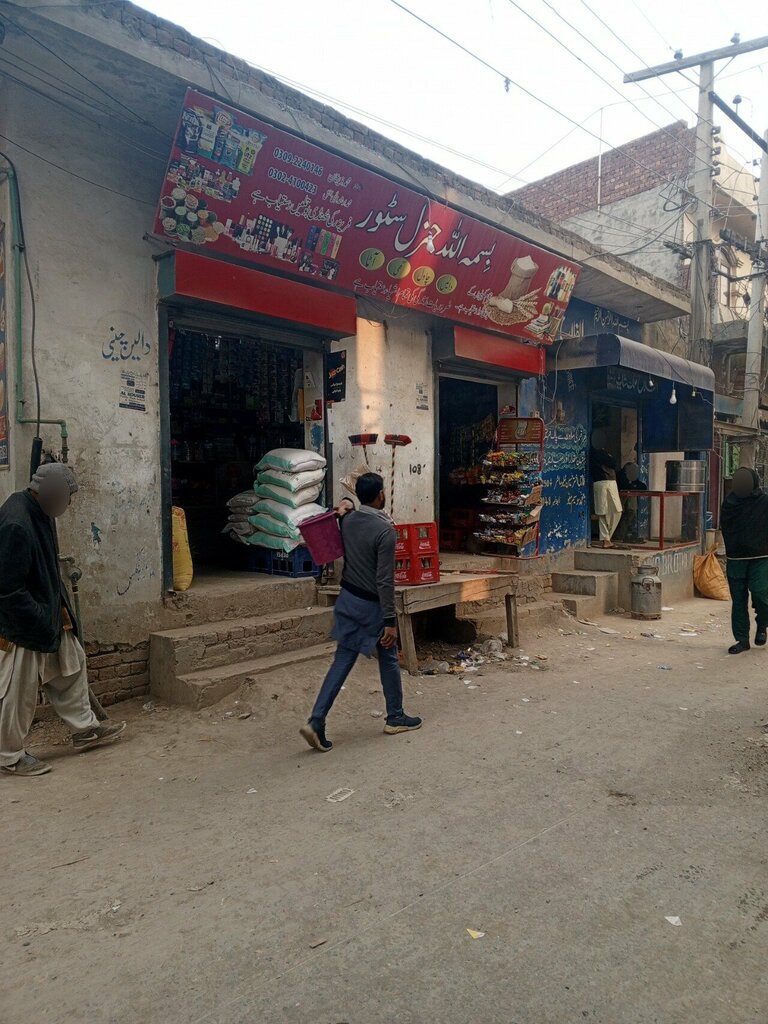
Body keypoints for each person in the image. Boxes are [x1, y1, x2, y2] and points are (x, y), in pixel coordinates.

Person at [0, 464, 126, 776]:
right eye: (66, 498)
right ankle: (8, 755)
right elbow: (7, 590)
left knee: (71, 663)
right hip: (19, 624)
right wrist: (37, 619)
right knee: (19, 690)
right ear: (49, 492)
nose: (67, 506)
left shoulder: (38, 511)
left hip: (46, 612)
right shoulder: (17, 522)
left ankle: (85, 728)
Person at [300, 472, 422, 752]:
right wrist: (390, 622)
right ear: (380, 495)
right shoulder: (385, 531)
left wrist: (344, 504)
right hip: (371, 606)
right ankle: (394, 715)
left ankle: (317, 720)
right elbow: (385, 580)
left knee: (342, 659)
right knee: (389, 655)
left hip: (347, 597)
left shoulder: (349, 520)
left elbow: (344, 508)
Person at [720, 466, 768, 655]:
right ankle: (741, 640)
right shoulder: (729, 504)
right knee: (738, 601)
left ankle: (762, 623)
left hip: (761, 557)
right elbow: (726, 527)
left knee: (761, 593)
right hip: (736, 558)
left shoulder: (764, 502)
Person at [589, 431, 622, 548]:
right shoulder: (598, 453)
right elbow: (613, 463)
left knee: (613, 511)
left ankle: (606, 538)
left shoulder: (597, 453)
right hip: (605, 483)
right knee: (605, 512)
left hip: (605, 483)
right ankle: (606, 539)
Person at [616, 462, 648, 542]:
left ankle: (627, 534)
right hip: (621, 497)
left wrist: (633, 487)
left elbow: (643, 487)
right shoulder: (620, 475)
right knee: (622, 515)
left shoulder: (631, 476)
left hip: (629, 499)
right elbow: (624, 486)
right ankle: (619, 535)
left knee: (631, 514)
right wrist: (633, 487)